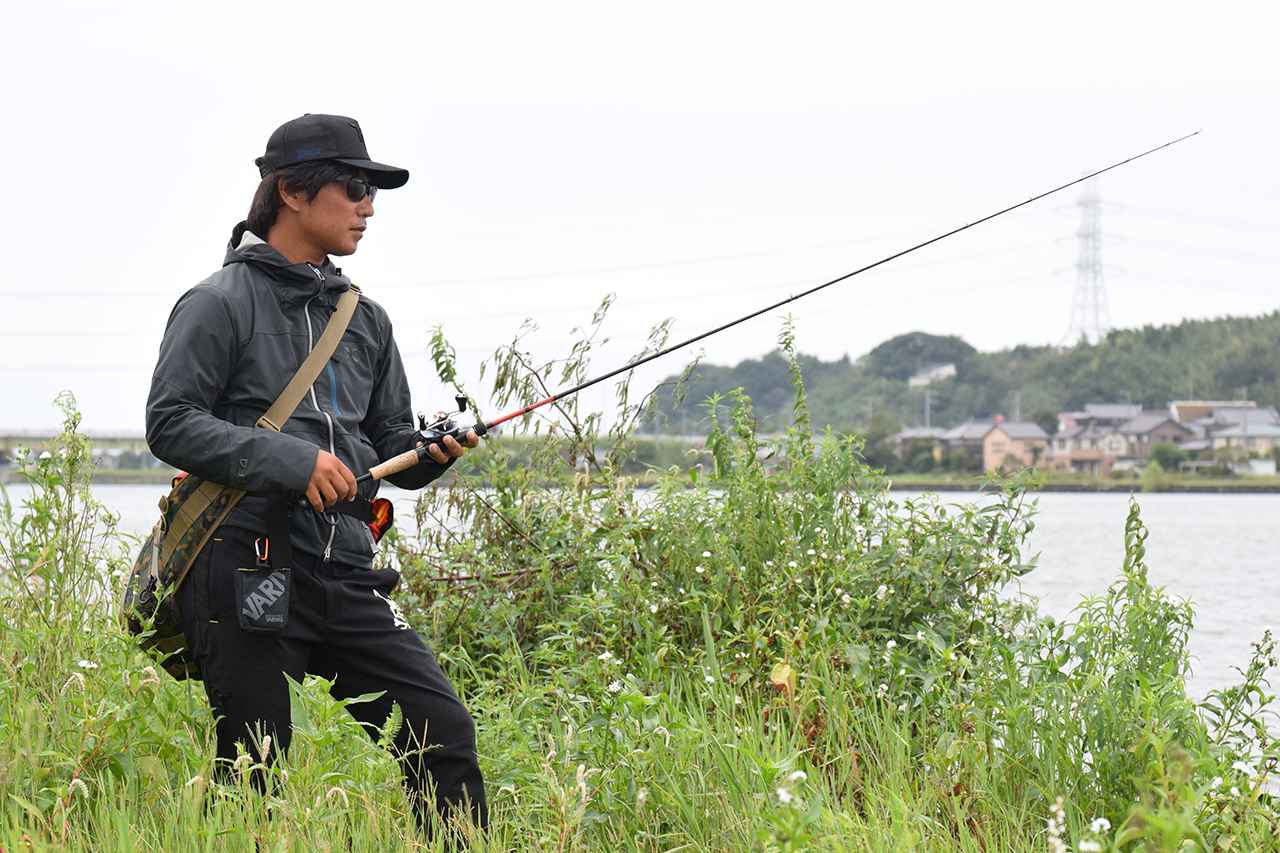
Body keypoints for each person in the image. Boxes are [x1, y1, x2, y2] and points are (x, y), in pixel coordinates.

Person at [145, 113, 488, 835]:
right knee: (253, 765)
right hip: (244, 563)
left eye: (372, 189)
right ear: (292, 193)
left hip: (345, 570)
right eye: (354, 185)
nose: (368, 204)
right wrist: (292, 460)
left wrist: (433, 452)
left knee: (441, 732)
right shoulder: (217, 303)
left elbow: (389, 440)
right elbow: (170, 421)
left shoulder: (366, 320)